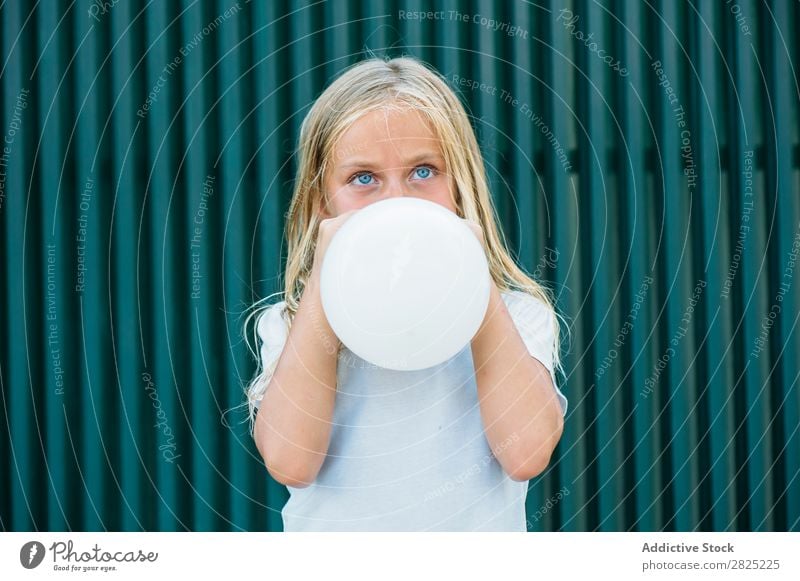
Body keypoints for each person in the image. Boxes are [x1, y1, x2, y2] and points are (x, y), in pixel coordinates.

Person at [243, 55, 569, 531]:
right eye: (363, 179)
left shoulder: (517, 315)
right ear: (321, 203)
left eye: (423, 171)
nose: (396, 200)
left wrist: (471, 277)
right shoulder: (294, 322)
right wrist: (323, 280)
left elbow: (526, 454)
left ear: (461, 187)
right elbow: (292, 463)